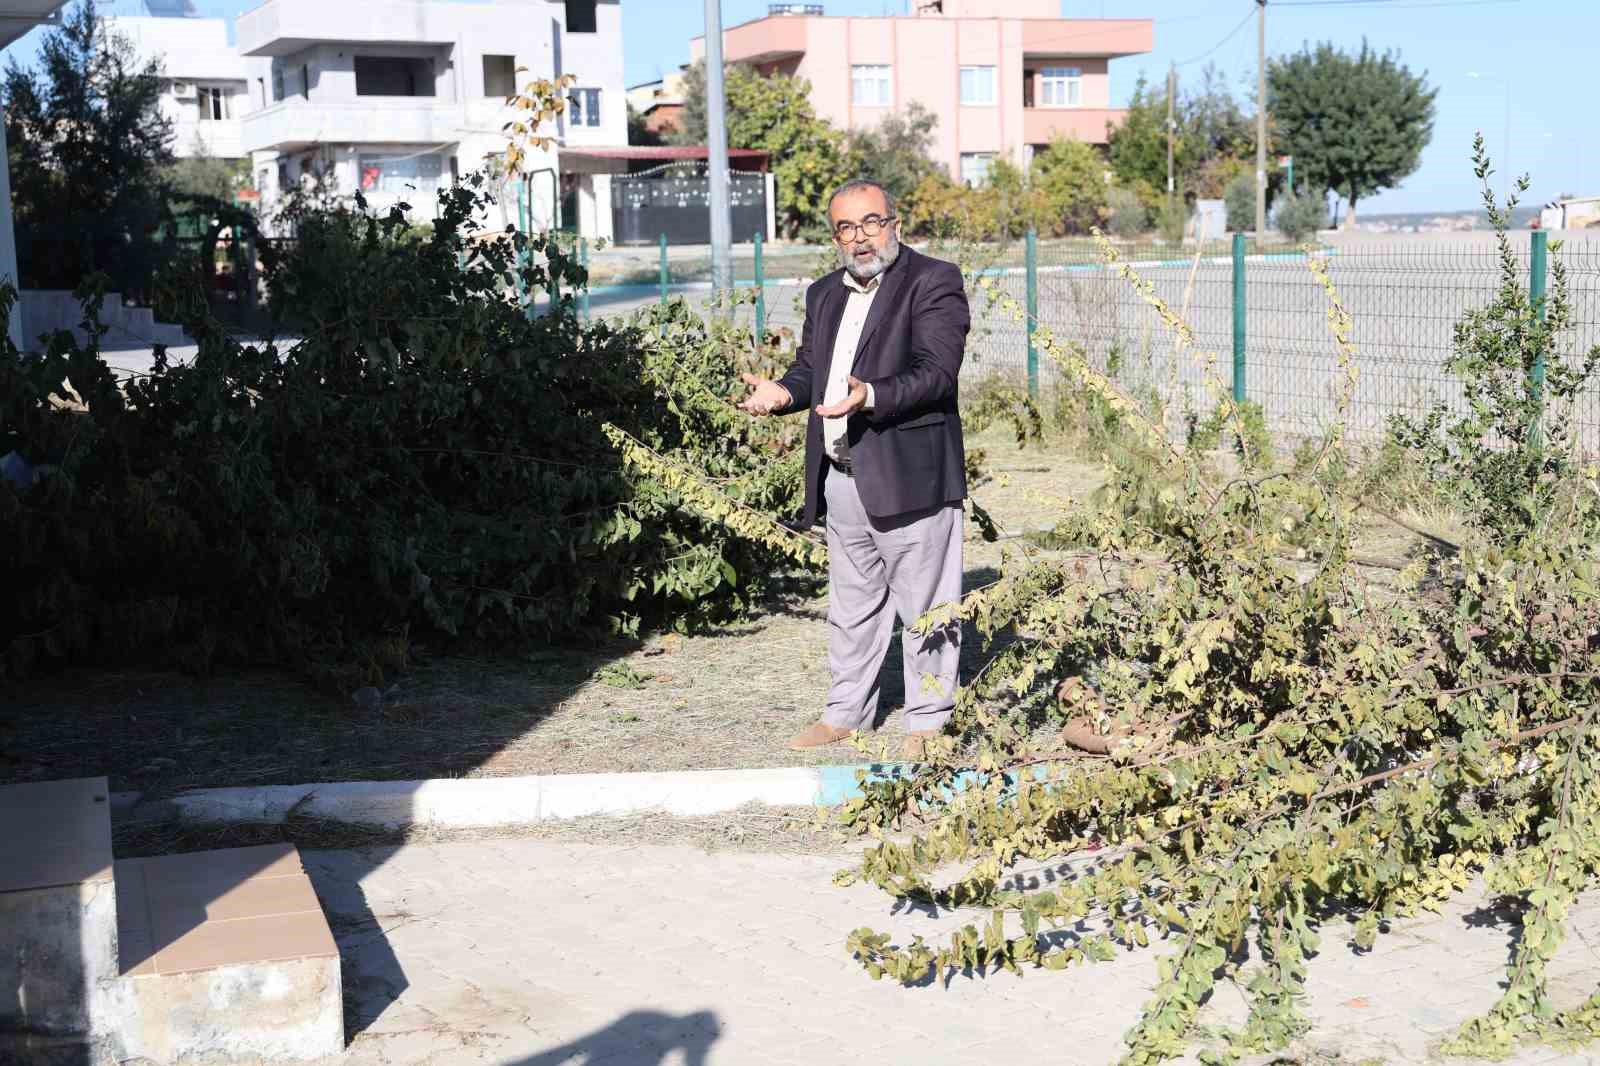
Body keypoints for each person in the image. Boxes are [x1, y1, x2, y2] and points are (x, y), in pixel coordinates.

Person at [738, 178, 970, 758]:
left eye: (871, 222)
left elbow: (937, 373)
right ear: (835, 235)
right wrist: (781, 395)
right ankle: (846, 714)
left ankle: (929, 723)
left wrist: (870, 395)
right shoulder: (824, 294)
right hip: (842, 477)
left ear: (895, 222)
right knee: (852, 608)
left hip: (912, 475)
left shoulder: (933, 281)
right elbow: (809, 371)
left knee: (928, 610)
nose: (860, 237)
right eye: (847, 227)